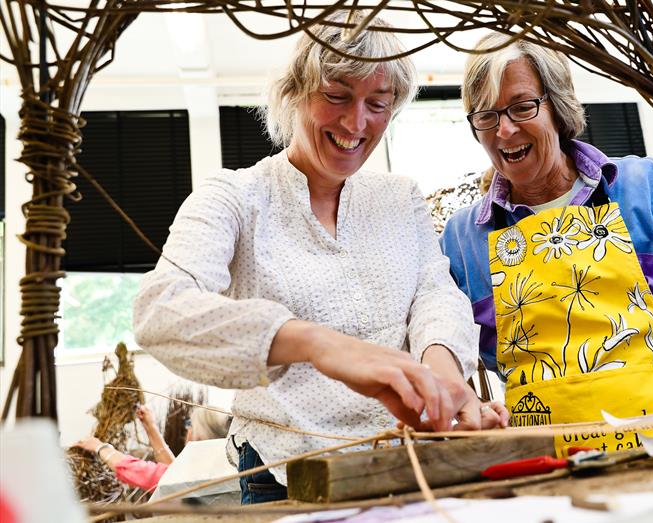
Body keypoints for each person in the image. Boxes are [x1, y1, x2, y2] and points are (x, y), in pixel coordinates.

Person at [133, 13, 505, 505]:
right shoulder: (235, 197)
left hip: (406, 454)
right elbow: (159, 312)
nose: (356, 123)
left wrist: (441, 375)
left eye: (378, 103)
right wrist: (315, 342)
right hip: (286, 471)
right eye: (336, 96)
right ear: (294, 91)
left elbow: (435, 293)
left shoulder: (398, 198)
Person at [440, 34, 653, 455]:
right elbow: (433, 344)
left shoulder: (645, 188)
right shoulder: (462, 239)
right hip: (542, 467)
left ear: (559, 107)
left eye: (521, 106)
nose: (505, 129)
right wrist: (469, 406)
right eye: (486, 115)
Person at [73, 405, 229, 491]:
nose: (187, 429)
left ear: (200, 437)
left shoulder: (195, 475)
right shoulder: (220, 466)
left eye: (190, 425)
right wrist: (151, 428)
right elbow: (172, 471)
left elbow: (140, 471)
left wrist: (100, 447)